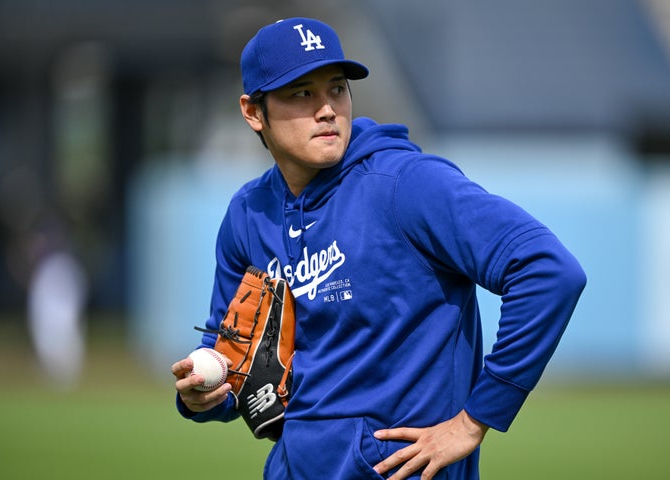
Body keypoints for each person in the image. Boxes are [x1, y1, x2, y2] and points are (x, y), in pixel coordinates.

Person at [171, 17, 586, 479]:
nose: (327, 109)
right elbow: (233, 359)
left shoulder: (406, 185)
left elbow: (548, 271)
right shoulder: (248, 216)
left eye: (336, 88)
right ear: (253, 112)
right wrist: (205, 395)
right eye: (301, 94)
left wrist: (474, 421)